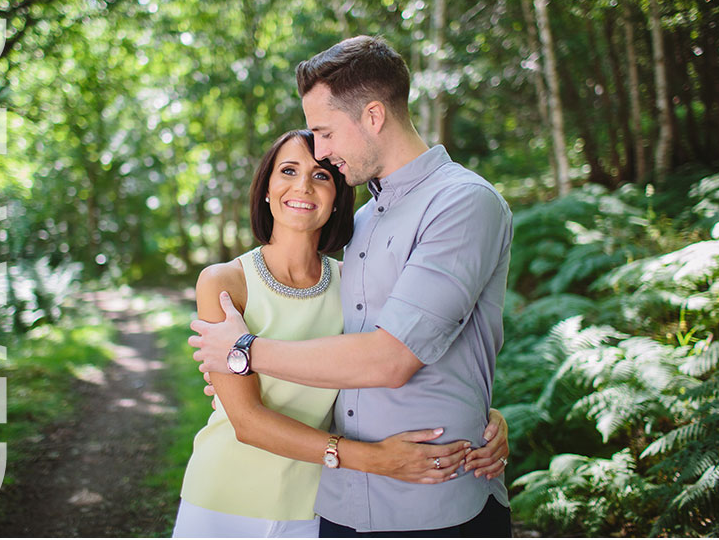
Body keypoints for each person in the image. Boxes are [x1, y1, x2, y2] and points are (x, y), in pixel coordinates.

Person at [190, 36, 514, 537]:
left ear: (373, 116)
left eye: (324, 132)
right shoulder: (364, 222)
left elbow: (392, 358)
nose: (320, 151)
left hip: (434, 500)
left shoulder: (462, 202)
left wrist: (244, 351)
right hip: (340, 503)